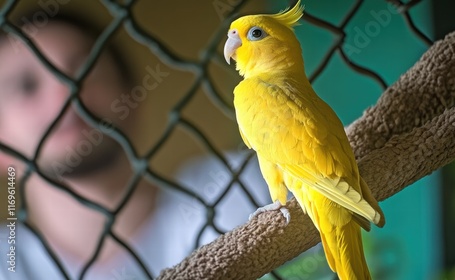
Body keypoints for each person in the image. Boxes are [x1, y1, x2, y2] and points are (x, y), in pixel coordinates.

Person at [0, 11, 269, 280]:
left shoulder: (241, 188)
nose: (65, 93)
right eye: (27, 86)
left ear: (131, 98)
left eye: (84, 70)